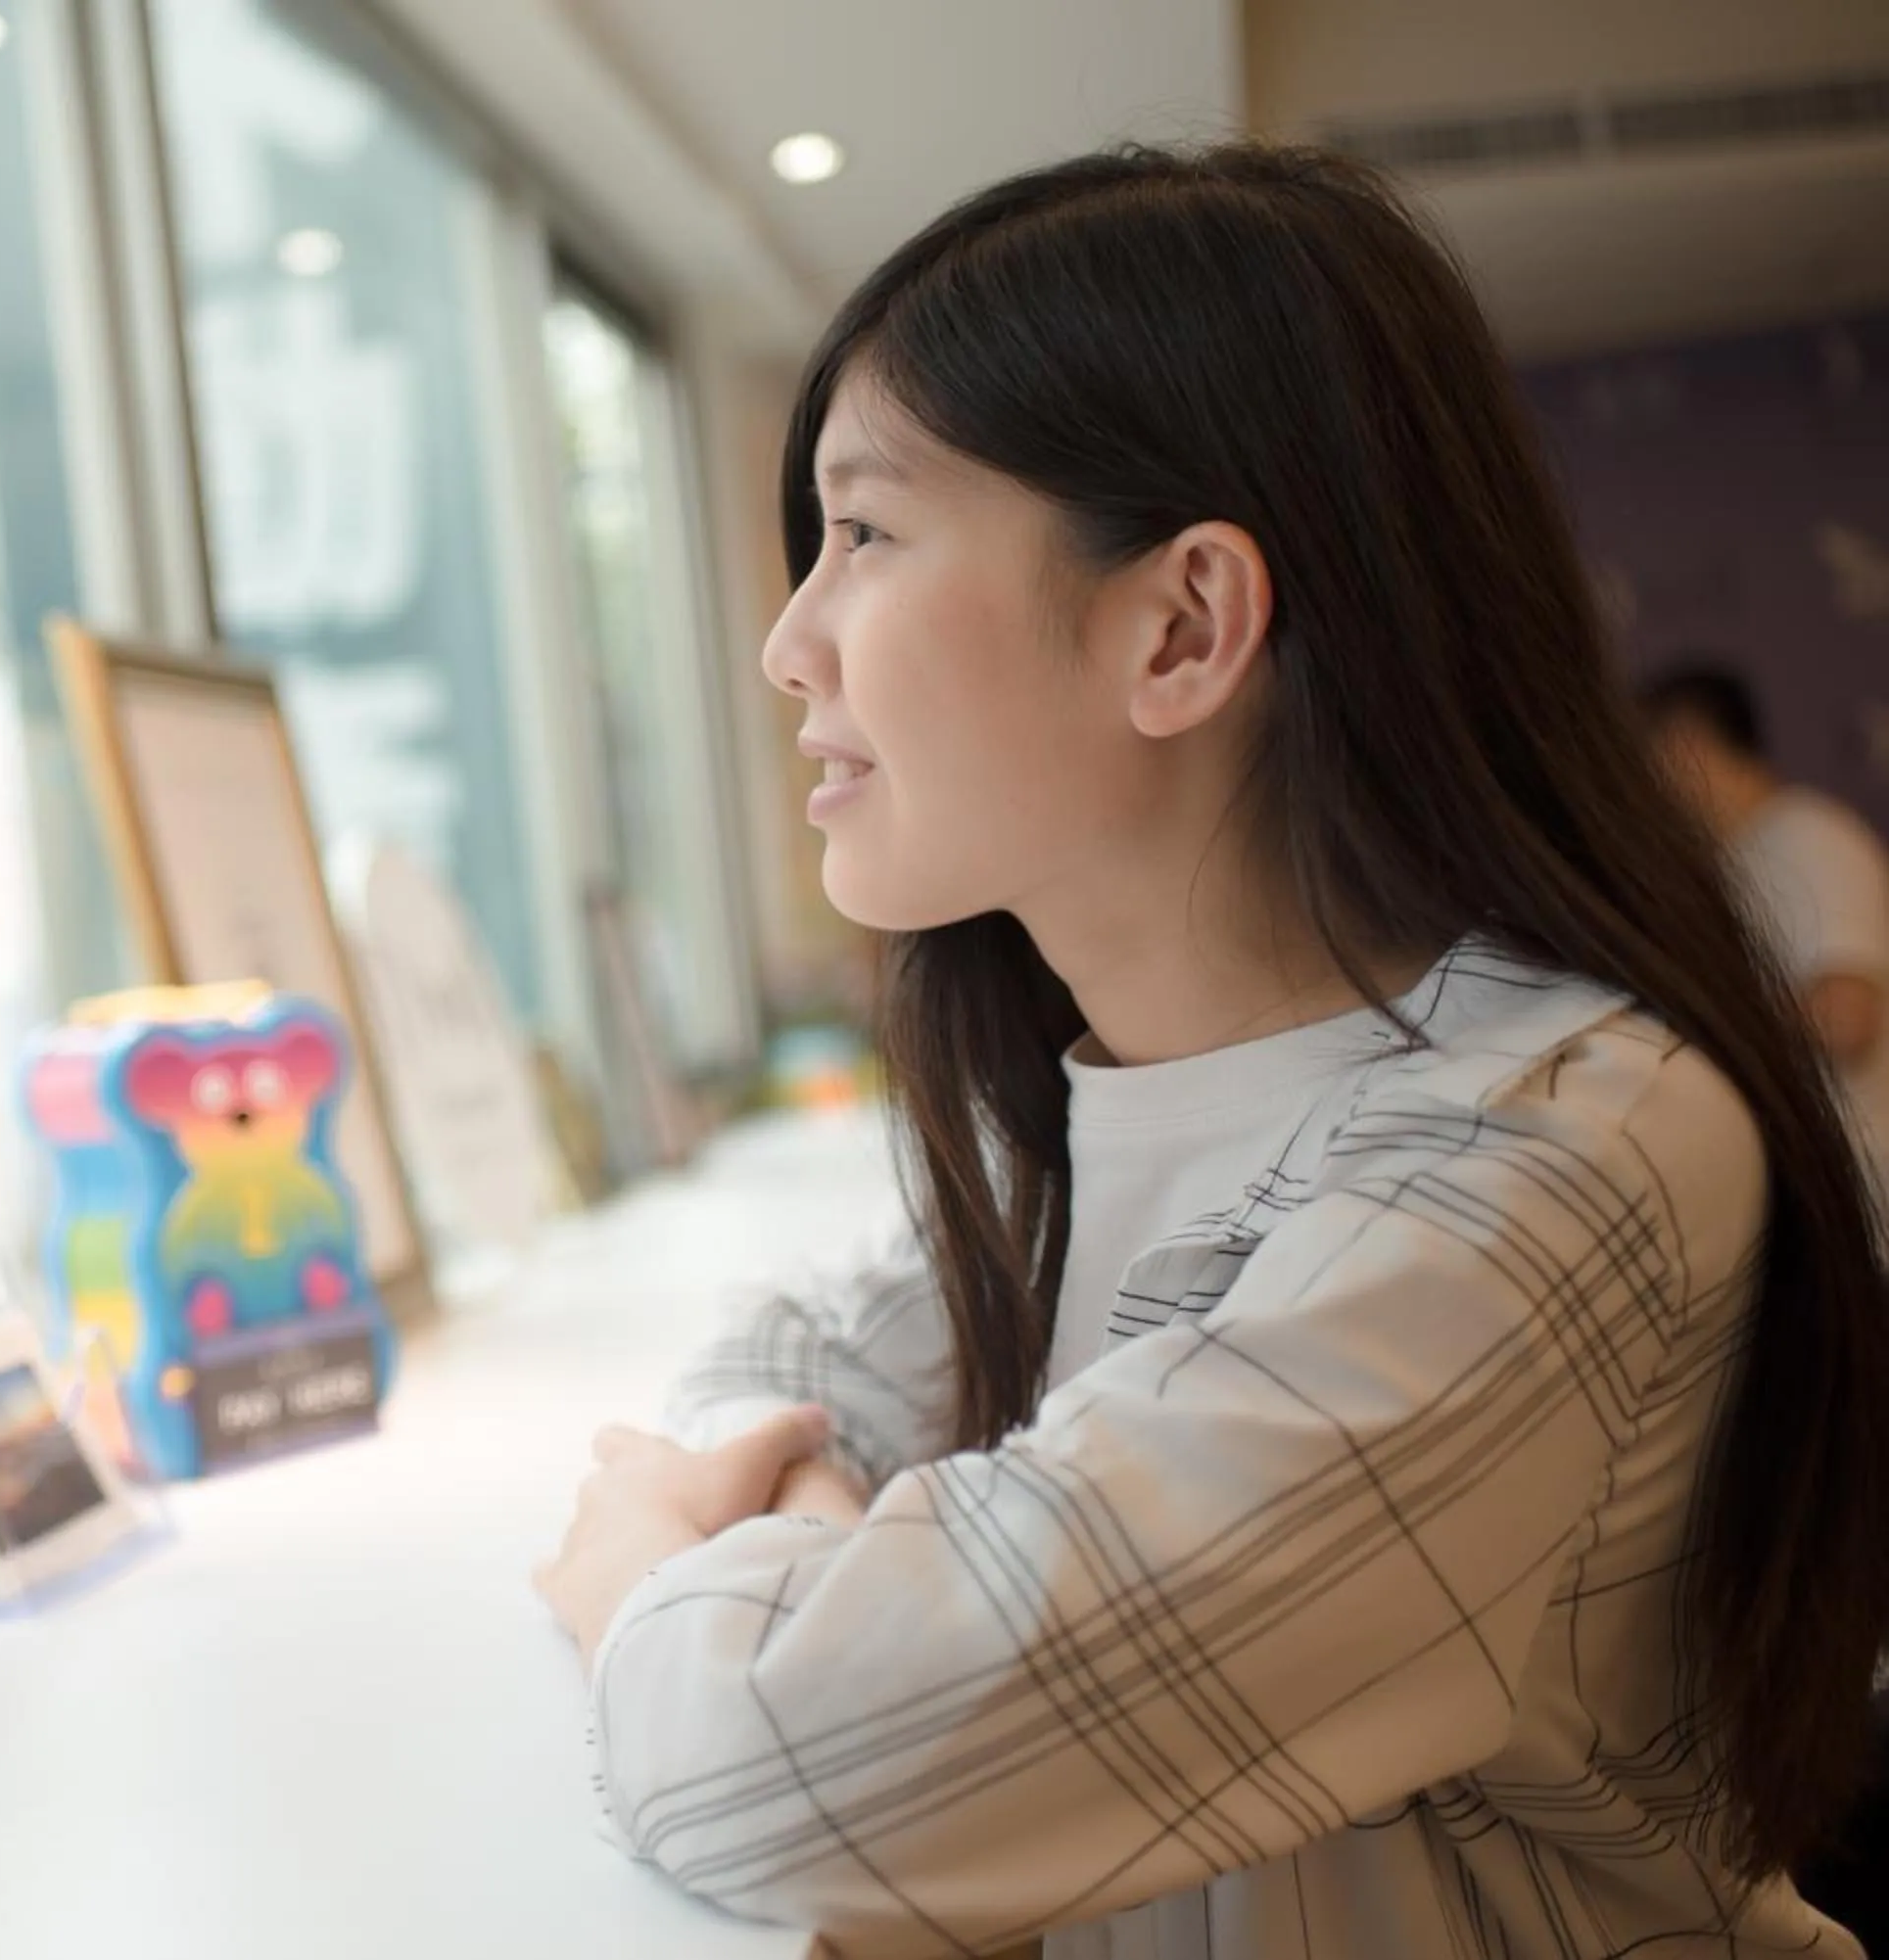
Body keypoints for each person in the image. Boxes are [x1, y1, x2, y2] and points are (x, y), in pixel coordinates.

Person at [532, 144, 1889, 1959]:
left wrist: (666, 1582)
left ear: (1180, 625)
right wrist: (831, 1572)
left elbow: (798, 1770)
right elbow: (769, 1363)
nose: (790, 644)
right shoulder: (1093, 1104)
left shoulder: (1558, 1152)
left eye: (861, 533)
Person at [1643, 664, 1889, 1187]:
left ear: (1686, 742)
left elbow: (1847, 1019)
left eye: (1645, 763)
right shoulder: (1751, 854)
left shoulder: (1804, 835)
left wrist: (1707, 1029)